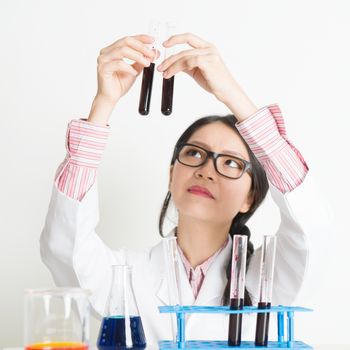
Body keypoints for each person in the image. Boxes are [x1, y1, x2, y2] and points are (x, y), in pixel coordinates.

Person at [40, 33, 330, 345]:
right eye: (194, 153)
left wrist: (232, 94)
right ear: (171, 174)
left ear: (250, 196)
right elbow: (65, 247)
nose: (206, 170)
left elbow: (311, 228)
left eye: (231, 163)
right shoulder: (125, 275)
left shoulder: (269, 278)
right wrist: (104, 104)